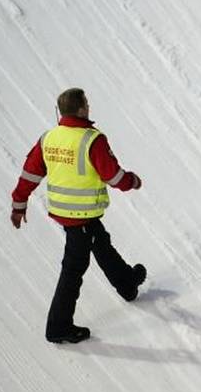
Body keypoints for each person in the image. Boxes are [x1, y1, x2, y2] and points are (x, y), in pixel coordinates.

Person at [10, 88, 147, 344]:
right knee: (73, 270)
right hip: (81, 214)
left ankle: (127, 283)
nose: (89, 106)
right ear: (81, 108)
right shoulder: (91, 140)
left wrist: (19, 204)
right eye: (87, 103)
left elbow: (30, 173)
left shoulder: (48, 138)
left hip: (67, 213)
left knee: (100, 242)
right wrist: (133, 181)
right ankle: (58, 327)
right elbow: (113, 176)